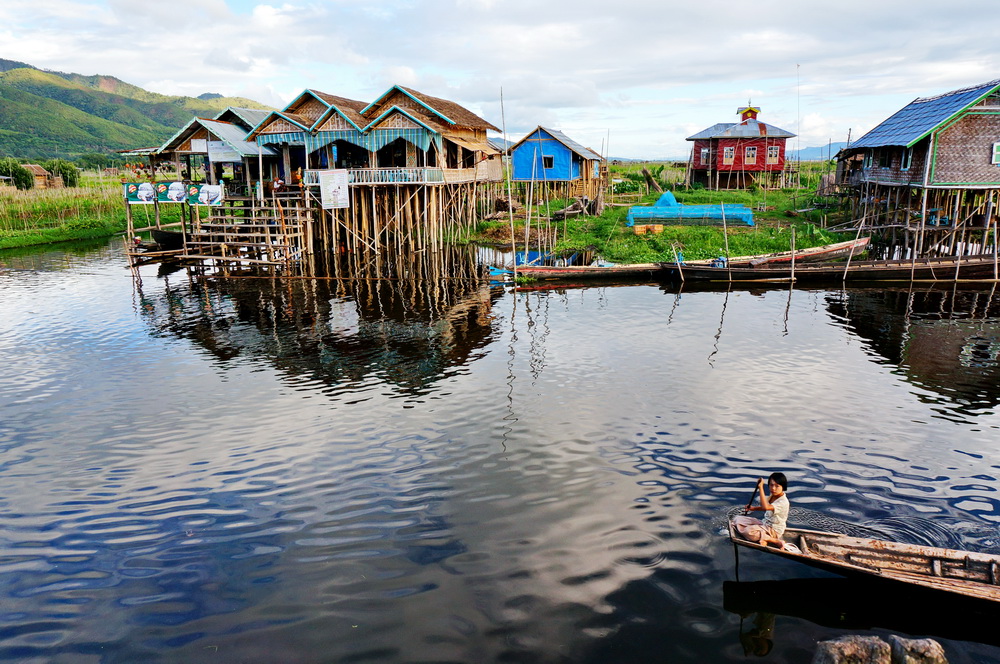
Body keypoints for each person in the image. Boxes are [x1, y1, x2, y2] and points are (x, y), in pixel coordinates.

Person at [733, 472, 789, 549]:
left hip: (774, 530)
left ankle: (774, 540)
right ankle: (763, 535)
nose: (773, 488)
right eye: (771, 485)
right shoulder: (773, 495)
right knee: (737, 519)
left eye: (777, 486)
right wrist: (753, 508)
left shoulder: (783, 502)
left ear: (783, 487)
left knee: (747, 531)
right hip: (765, 523)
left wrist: (761, 488)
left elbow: (765, 507)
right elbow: (767, 507)